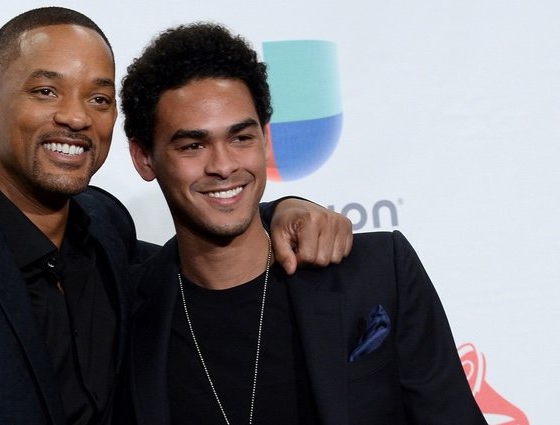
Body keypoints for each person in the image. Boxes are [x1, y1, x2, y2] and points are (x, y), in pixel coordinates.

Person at [0, 8, 353, 425]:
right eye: (46, 91)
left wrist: (284, 209)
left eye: (98, 99)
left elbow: (206, 244)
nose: (74, 117)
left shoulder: (105, 227)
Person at [121, 23, 487, 424]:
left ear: (264, 137)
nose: (224, 165)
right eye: (193, 145)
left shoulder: (380, 271)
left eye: (241, 138)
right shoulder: (124, 314)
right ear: (145, 158)